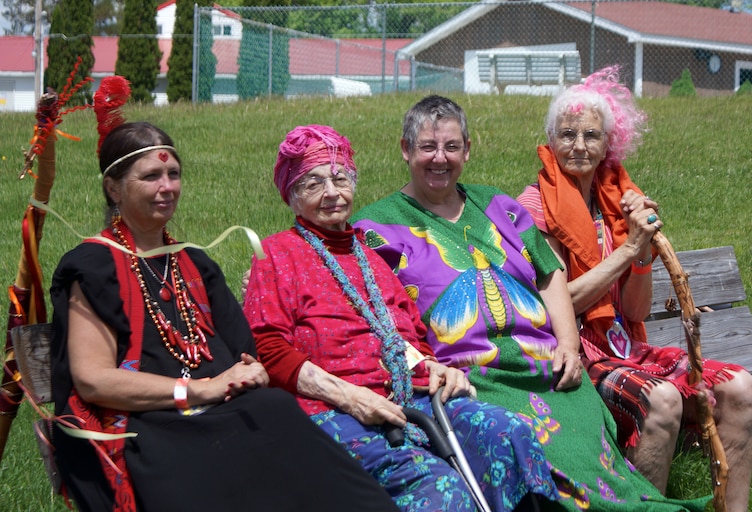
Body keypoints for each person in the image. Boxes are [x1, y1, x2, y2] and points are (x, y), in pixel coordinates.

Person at [353, 95, 709, 511]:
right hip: (471, 377)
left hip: (545, 368)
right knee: (535, 442)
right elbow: (375, 317)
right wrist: (426, 368)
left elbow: (548, 271)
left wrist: (569, 346)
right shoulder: (377, 227)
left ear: (467, 149)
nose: (440, 158)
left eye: (451, 147)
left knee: (584, 431)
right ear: (405, 149)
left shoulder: (496, 206)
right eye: (427, 147)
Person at [49, 117, 402, 512]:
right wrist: (200, 390)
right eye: (151, 176)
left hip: (221, 411)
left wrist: (248, 372)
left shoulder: (195, 264)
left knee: (277, 411)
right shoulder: (93, 267)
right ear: (113, 187)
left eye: (173, 173)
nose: (167, 187)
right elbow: (93, 381)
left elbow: (244, 355)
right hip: (146, 424)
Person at [243, 124, 563, 512]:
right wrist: (348, 395)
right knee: (437, 486)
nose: (331, 192)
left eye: (340, 177)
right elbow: (267, 347)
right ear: (292, 197)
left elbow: (409, 334)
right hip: (334, 412)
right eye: (312, 183)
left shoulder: (370, 254)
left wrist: (432, 366)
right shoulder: (277, 255)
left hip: (414, 398)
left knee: (508, 434)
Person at [514, 66, 752, 511]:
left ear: (610, 143)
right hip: (571, 354)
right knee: (660, 399)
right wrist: (629, 248)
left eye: (591, 134)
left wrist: (641, 250)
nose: (580, 145)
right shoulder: (534, 207)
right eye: (567, 134)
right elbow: (558, 303)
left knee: (740, 386)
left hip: (623, 346)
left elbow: (636, 310)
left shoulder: (614, 201)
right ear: (550, 140)